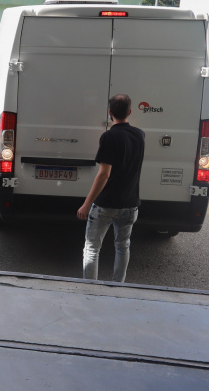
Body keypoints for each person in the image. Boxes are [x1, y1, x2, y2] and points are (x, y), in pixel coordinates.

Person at [77, 94, 146, 282]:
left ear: (110, 113)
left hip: (105, 205)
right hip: (130, 205)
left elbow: (104, 174)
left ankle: (91, 289)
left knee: (92, 248)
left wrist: (86, 204)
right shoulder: (140, 135)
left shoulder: (109, 137)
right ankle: (118, 287)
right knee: (122, 246)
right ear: (130, 112)